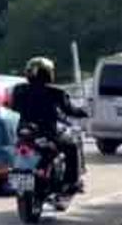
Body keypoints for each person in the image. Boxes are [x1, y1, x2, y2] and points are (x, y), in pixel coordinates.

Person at [10, 57, 88, 195]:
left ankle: (26, 184)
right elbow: (69, 110)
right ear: (48, 73)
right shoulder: (56, 92)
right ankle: (71, 183)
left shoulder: (19, 89)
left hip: (24, 131)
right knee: (72, 147)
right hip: (47, 132)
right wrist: (84, 112)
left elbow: (13, 106)